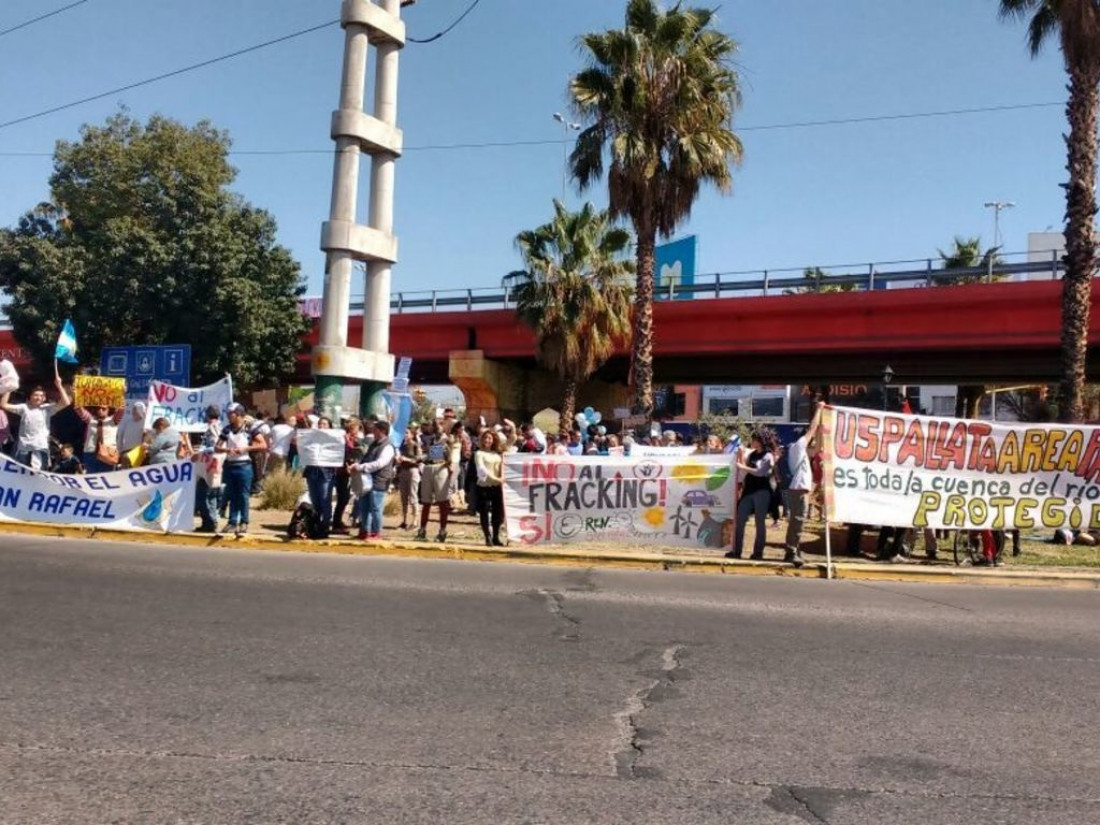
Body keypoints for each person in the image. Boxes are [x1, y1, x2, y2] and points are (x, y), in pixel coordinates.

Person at [783, 401, 824, 568]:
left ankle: (794, 549)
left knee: (797, 521)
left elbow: (818, 446)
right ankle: (791, 551)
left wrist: (821, 429)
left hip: (799, 489)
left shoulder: (800, 452)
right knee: (798, 521)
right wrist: (820, 410)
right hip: (799, 489)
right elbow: (812, 429)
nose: (811, 441)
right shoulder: (799, 445)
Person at [216, 403, 265, 537]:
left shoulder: (250, 429)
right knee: (232, 494)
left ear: (238, 414)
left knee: (243, 496)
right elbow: (217, 447)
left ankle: (244, 522)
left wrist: (246, 449)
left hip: (244, 466)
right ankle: (232, 522)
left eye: (230, 413)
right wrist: (227, 450)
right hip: (230, 465)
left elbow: (263, 444)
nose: (228, 416)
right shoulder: (227, 429)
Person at [1, 375, 71, 470]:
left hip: (41, 448)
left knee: (40, 476)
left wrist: (59, 385)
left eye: (41, 396)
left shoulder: (47, 408)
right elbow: (3, 405)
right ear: (30, 397)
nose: (38, 397)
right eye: (36, 395)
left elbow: (66, 402)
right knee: (21, 475)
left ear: (44, 398)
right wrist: (10, 388)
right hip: (23, 448)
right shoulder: (24, 407)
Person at [727, 429, 777, 561]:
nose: (752, 441)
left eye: (754, 439)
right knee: (740, 519)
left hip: (762, 491)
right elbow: (744, 469)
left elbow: (761, 472)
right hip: (749, 490)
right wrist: (740, 456)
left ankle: (758, 553)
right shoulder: (752, 454)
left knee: (759, 522)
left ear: (760, 441)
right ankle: (736, 550)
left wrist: (743, 467)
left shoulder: (768, 456)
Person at [352, 420, 397, 540]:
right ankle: (364, 531)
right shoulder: (374, 444)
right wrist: (357, 466)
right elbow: (366, 458)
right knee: (364, 507)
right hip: (366, 481)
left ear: (382, 431)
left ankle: (376, 532)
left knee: (375, 508)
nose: (373, 432)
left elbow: (380, 463)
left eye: (376, 430)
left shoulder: (388, 447)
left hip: (378, 481)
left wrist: (361, 467)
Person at [417, 419, 454, 542]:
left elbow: (445, 457)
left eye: (439, 424)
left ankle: (442, 530)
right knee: (426, 501)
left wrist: (420, 458)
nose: (436, 427)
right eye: (435, 425)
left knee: (442, 502)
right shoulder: (432, 439)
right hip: (429, 468)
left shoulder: (447, 440)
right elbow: (429, 455)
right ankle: (422, 530)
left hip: (440, 467)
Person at [302, 416, 337, 539]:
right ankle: (315, 524)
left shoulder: (334, 439)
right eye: (320, 424)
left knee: (325, 500)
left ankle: (325, 526)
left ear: (330, 427)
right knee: (315, 500)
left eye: (325, 424)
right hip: (312, 472)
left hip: (326, 473)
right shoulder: (313, 438)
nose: (322, 426)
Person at [333, 417, 366, 533]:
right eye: (357, 427)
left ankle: (338, 521)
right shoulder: (344, 438)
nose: (358, 430)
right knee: (342, 497)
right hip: (342, 471)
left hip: (350, 470)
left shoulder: (354, 439)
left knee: (345, 497)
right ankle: (336, 523)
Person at [475, 429, 506, 546]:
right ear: (482, 440)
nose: (487, 440)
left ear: (493, 440)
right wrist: (497, 479)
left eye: (490, 438)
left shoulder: (497, 454)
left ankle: (496, 537)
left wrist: (512, 428)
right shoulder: (479, 453)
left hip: (496, 487)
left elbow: (512, 441)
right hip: (484, 487)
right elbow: (482, 470)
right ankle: (487, 536)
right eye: (485, 438)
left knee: (497, 514)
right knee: (484, 513)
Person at [395, 425, 423, 529]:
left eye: (407, 433)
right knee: (403, 497)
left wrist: (407, 459)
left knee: (413, 496)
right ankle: (404, 520)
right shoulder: (401, 445)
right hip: (403, 471)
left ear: (411, 434)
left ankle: (415, 520)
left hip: (413, 470)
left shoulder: (415, 445)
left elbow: (419, 459)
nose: (405, 435)